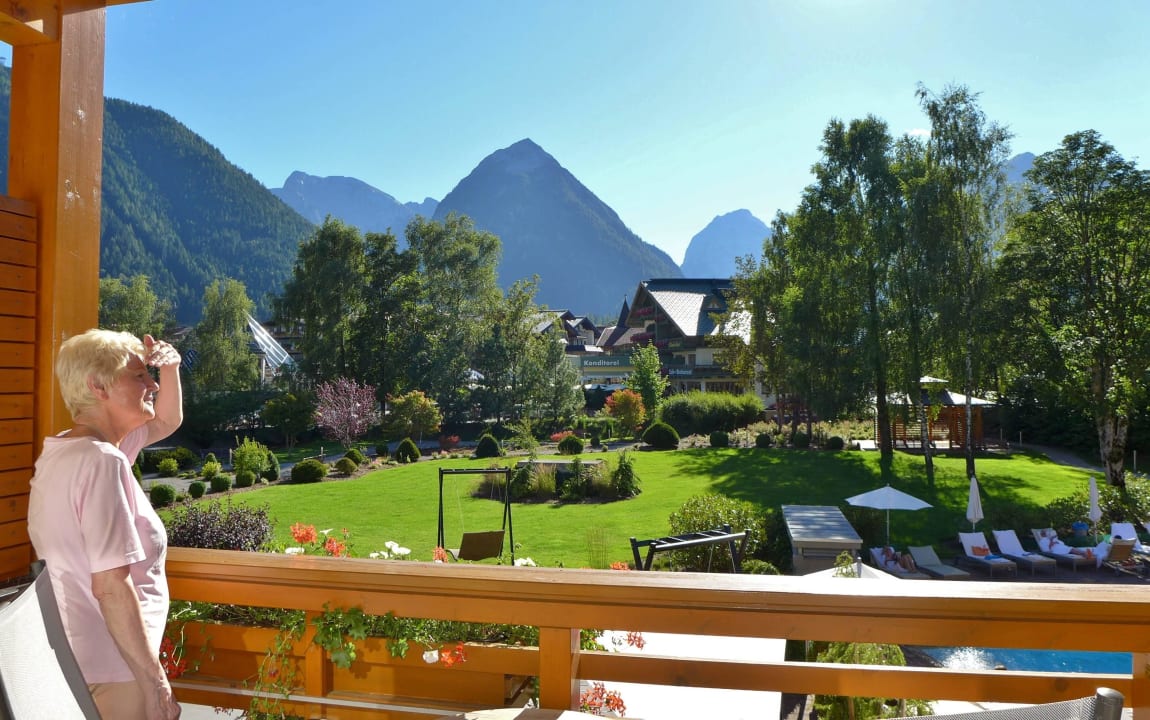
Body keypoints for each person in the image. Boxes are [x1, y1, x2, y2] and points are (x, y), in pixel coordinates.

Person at [27, 330, 183, 720]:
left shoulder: (66, 451)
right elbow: (111, 585)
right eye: (139, 377)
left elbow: (167, 419)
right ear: (98, 387)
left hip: (81, 657)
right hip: (117, 669)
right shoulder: (102, 461)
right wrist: (154, 682)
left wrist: (172, 368)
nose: (151, 384)